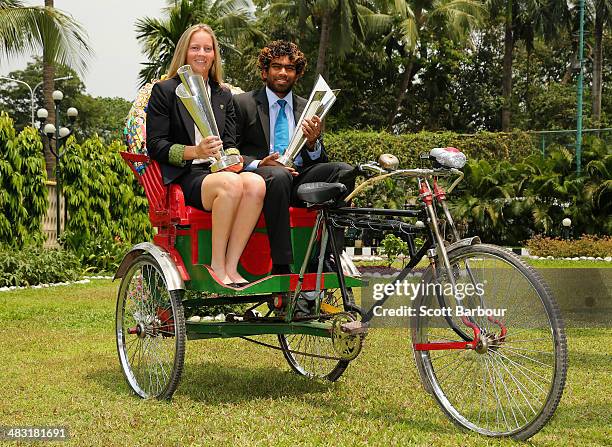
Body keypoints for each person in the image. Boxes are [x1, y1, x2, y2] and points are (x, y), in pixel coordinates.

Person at [147, 24, 266, 287]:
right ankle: (217, 266)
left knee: (256, 184)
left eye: (207, 48)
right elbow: (155, 145)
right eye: (195, 48)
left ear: (214, 55)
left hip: (219, 172)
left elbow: (232, 141)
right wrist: (194, 151)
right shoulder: (165, 91)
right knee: (231, 185)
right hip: (186, 175)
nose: (201, 53)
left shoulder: (223, 94)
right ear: (184, 52)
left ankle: (233, 267)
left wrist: (232, 160)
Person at [234, 40, 354, 274]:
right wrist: (259, 163)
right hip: (262, 179)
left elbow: (319, 160)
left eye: (289, 68)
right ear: (264, 71)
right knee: (279, 175)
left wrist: (312, 143)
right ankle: (281, 265)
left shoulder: (307, 107)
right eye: (276, 66)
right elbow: (230, 150)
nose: (282, 72)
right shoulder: (243, 103)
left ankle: (329, 253)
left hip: (298, 179)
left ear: (297, 75)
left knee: (344, 171)